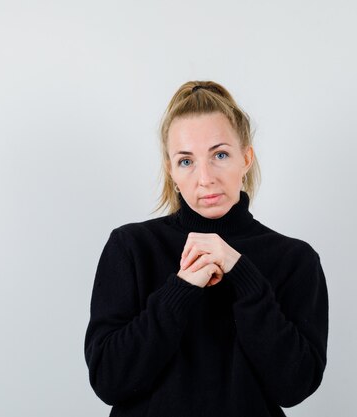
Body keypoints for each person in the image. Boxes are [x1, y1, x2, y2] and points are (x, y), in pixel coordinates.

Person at [84, 81, 328, 416]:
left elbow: (295, 385)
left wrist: (243, 275)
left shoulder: (294, 259)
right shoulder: (132, 247)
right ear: (171, 169)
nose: (205, 178)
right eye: (186, 161)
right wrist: (180, 290)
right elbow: (109, 379)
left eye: (220, 155)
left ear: (246, 158)